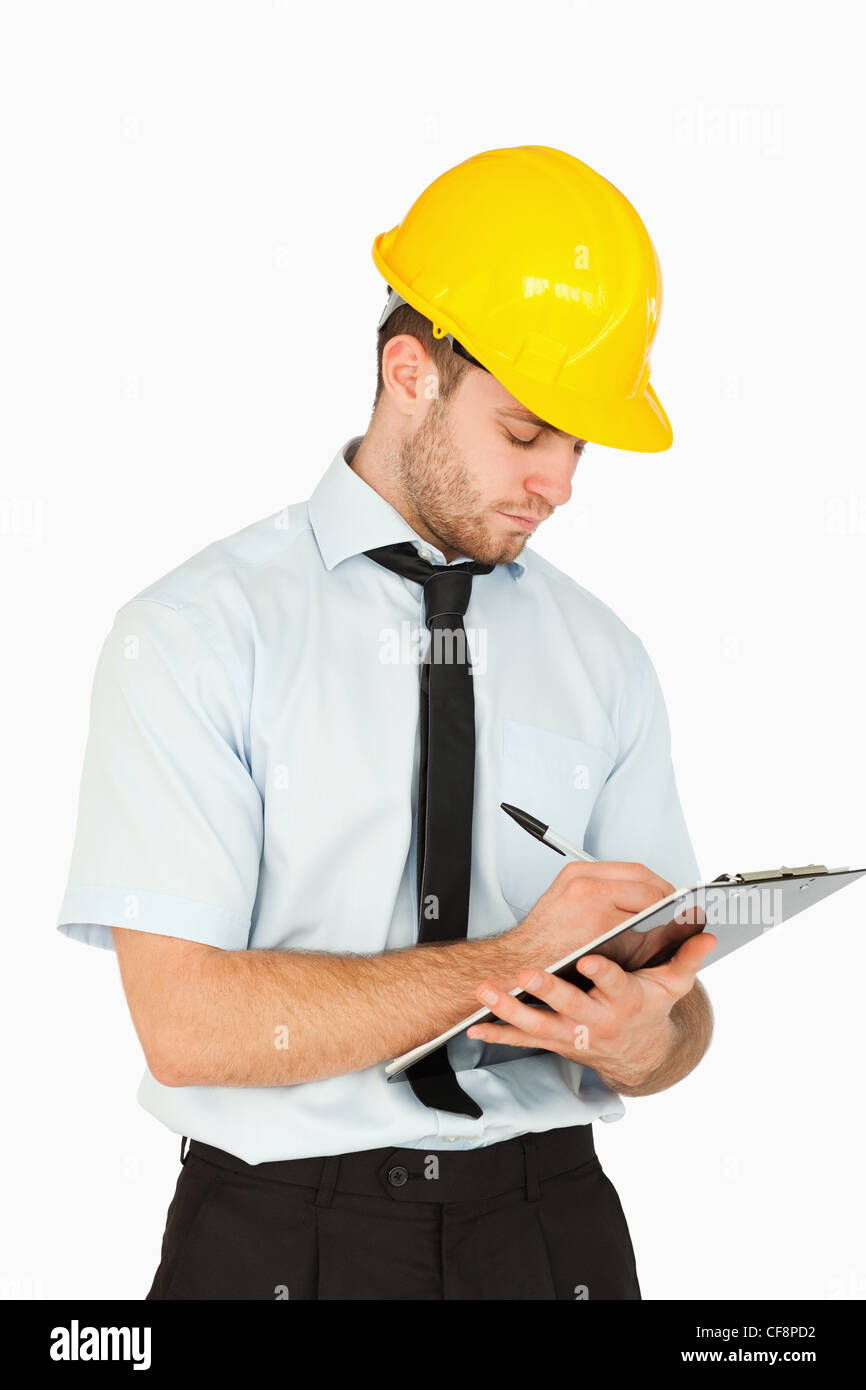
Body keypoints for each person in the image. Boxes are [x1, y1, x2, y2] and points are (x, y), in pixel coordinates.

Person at [56, 145, 715, 1301]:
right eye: (525, 433)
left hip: (548, 1230)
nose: (557, 482)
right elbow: (188, 1025)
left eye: (577, 445)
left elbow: (680, 1021)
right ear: (409, 372)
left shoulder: (602, 655)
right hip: (277, 1240)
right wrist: (506, 966)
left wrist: (637, 1038)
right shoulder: (197, 633)